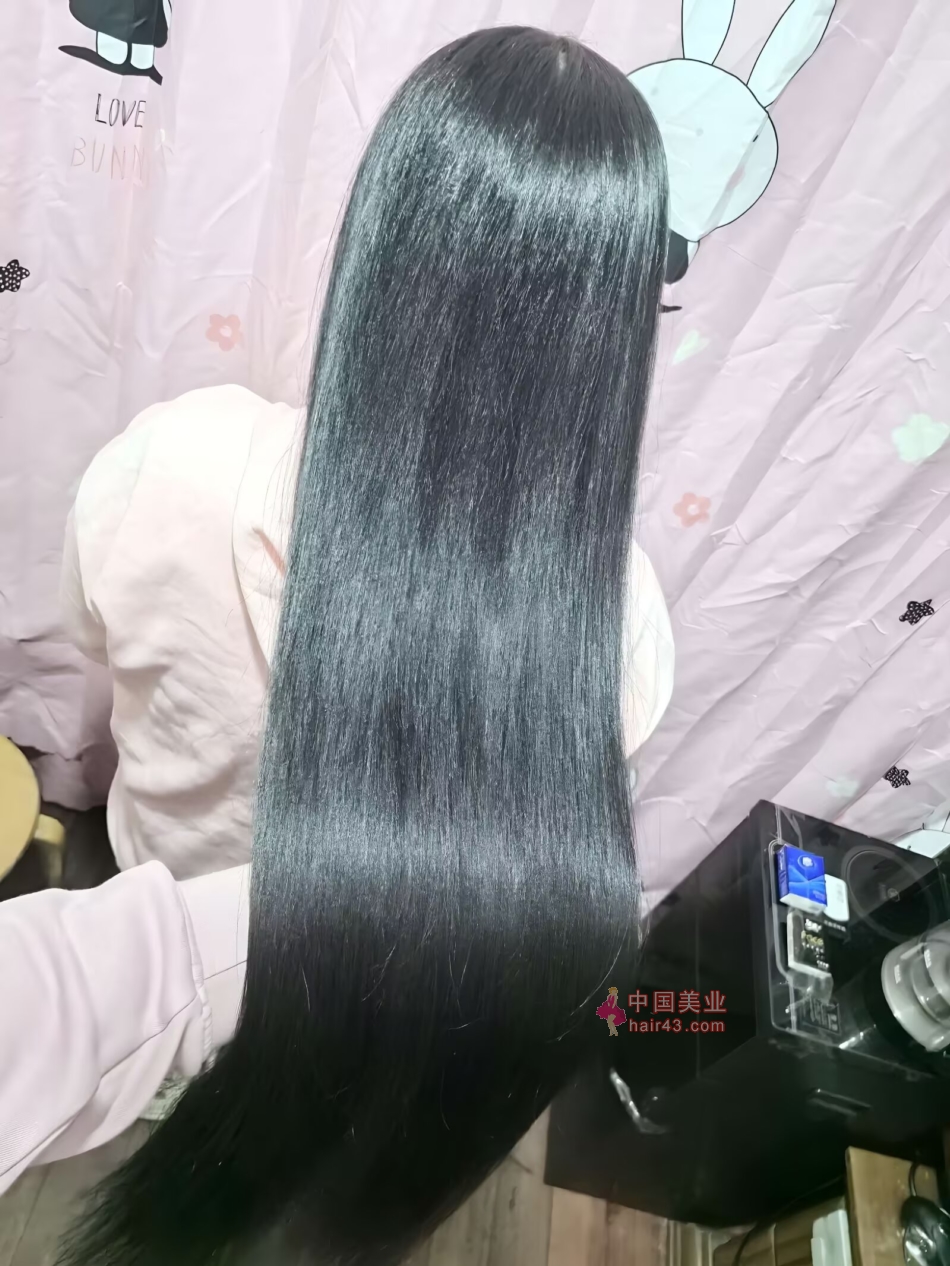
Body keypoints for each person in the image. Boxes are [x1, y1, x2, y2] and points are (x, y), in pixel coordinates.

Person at [6, 27, 671, 1265]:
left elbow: (90, 638)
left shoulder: (171, 465)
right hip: (358, 1029)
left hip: (157, 940)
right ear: (615, 323)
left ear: (380, 242)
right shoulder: (619, 635)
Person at [61, 384, 672, 881]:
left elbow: (90, 638)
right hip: (380, 966)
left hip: (159, 896)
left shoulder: (174, 452)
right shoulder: (617, 611)